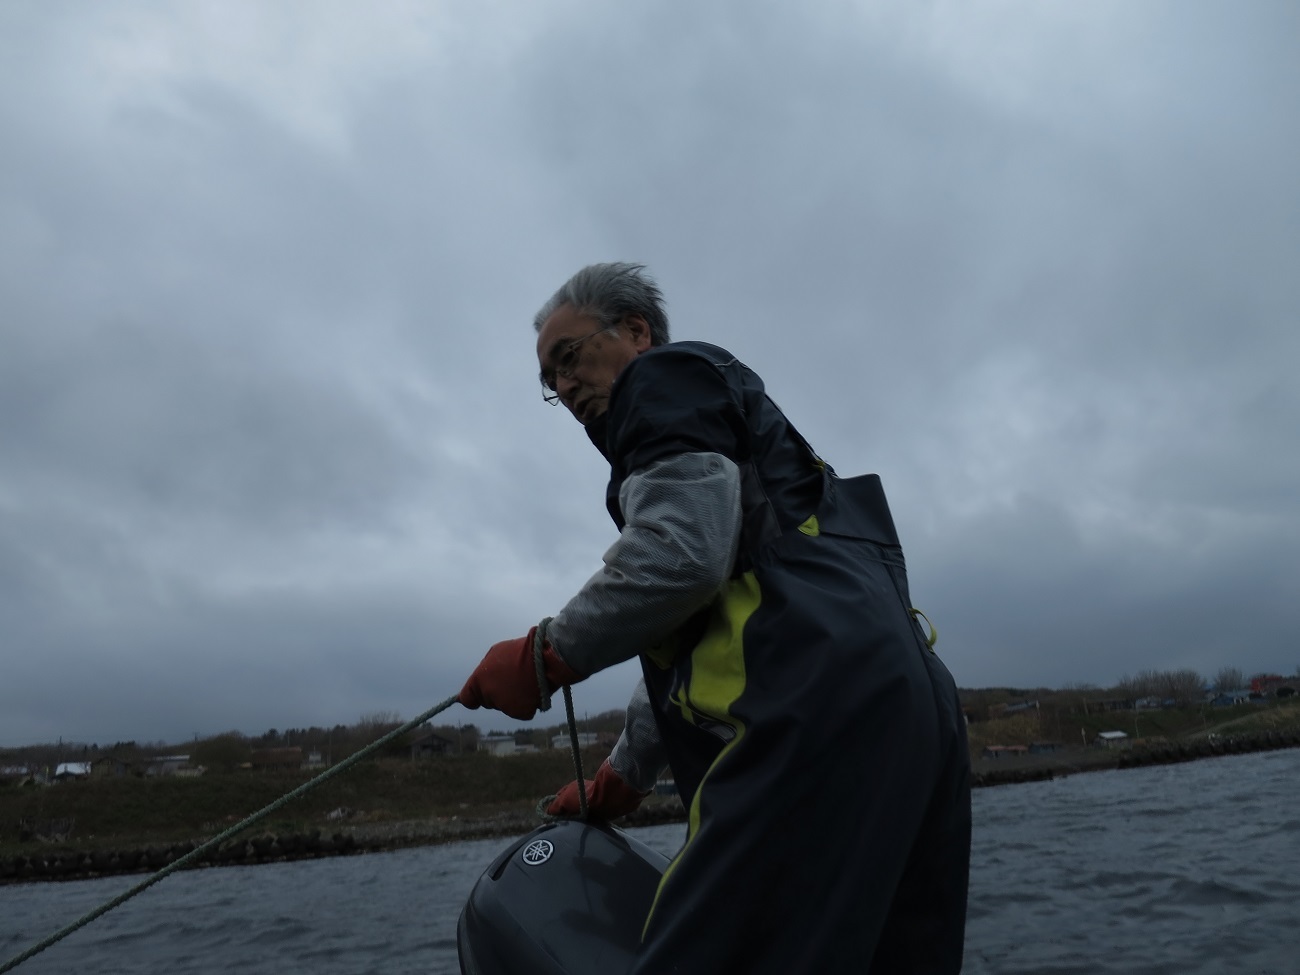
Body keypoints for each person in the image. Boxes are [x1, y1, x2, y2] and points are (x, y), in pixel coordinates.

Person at [458, 263, 971, 973]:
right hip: (917, 711)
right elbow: (703, 616)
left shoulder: (662, 378)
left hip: (808, 707)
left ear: (636, 331)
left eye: (569, 357)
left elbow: (678, 559)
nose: (563, 385)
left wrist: (542, 656)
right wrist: (627, 774)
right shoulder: (750, 452)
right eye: (551, 381)